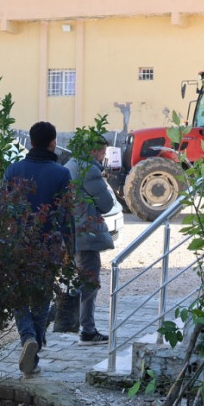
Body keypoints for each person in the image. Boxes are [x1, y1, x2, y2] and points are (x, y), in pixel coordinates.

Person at [5, 121, 72, 376]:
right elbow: (67, 216)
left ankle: (27, 338)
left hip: (17, 244)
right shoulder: (61, 173)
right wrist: (71, 249)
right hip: (49, 246)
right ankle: (33, 350)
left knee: (19, 296)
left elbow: (3, 211)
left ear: (31, 142)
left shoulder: (13, 171)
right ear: (53, 143)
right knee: (42, 299)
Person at [64, 140, 119, 345]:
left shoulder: (71, 164)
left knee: (83, 281)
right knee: (89, 282)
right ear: (93, 150)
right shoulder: (90, 170)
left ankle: (86, 328)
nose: (103, 157)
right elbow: (106, 204)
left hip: (74, 232)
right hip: (87, 234)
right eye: (103, 152)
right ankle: (59, 318)